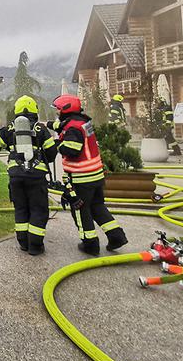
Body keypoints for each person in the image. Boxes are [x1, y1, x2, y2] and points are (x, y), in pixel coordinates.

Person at [51, 94, 129, 256]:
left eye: (58, 110)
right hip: (96, 176)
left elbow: (71, 150)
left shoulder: (72, 129)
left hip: (81, 178)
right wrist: (52, 125)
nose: (57, 113)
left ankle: (90, 244)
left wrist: (57, 144)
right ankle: (117, 236)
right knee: (97, 206)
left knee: (81, 210)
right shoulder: (83, 122)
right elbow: (65, 126)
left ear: (65, 110)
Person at [0, 96, 58, 255]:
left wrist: (9, 145)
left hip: (16, 176)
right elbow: (52, 154)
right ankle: (35, 246)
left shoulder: (10, 128)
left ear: (16, 110)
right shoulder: (41, 129)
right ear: (35, 110)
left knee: (20, 208)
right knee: (38, 209)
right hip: (36, 177)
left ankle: (23, 243)